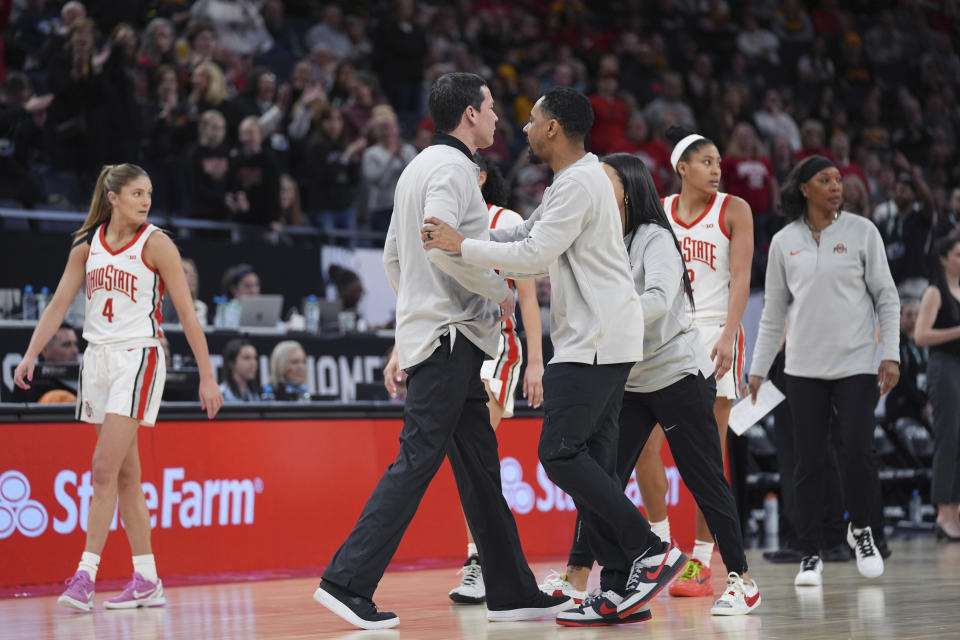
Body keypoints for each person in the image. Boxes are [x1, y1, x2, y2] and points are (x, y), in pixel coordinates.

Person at [314, 72, 569, 631]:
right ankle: (346, 581)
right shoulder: (453, 169)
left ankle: (512, 590)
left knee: (480, 471)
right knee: (416, 459)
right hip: (451, 336)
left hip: (440, 333)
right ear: (470, 115)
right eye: (494, 107)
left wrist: (416, 312)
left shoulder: (416, 167)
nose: (500, 117)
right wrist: (497, 292)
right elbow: (440, 245)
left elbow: (393, 257)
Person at [424, 86, 677, 627]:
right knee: (600, 467)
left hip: (595, 341)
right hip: (608, 338)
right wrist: (473, 232)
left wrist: (459, 246)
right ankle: (617, 588)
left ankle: (647, 549)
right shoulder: (576, 180)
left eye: (533, 120)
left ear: (555, 128)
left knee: (559, 454)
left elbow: (534, 256)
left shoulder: (579, 183)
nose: (524, 128)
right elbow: (528, 232)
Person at [541, 153, 761, 617]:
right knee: (602, 481)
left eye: (605, 181)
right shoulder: (602, 235)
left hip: (678, 374)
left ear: (628, 188)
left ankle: (742, 579)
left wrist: (603, 324)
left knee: (704, 477)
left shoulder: (655, 237)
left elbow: (658, 300)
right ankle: (591, 583)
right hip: (631, 378)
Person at [13, 163, 222, 611]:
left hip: (138, 357)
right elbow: (57, 305)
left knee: (102, 468)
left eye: (149, 193)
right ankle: (146, 578)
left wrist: (207, 374)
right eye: (137, 193)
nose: (146, 201)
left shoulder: (158, 244)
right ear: (113, 197)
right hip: (98, 360)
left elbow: (187, 314)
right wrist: (31, 352)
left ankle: (84, 576)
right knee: (126, 476)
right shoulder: (86, 247)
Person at [748, 155, 900, 586]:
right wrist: (757, 371)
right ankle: (810, 551)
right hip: (802, 368)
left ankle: (862, 531)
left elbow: (887, 297)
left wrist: (891, 354)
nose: (837, 186)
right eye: (826, 180)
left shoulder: (863, 232)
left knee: (856, 451)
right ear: (804, 188)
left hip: (856, 363)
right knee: (809, 462)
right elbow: (773, 313)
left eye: (839, 179)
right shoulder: (783, 242)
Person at [631, 125, 753, 598]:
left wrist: (727, 336)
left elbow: (741, 278)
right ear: (682, 168)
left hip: (717, 329)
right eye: (706, 161)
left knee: (706, 451)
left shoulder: (734, 209)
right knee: (644, 442)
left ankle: (702, 559)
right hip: (667, 332)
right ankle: (660, 544)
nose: (717, 169)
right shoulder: (658, 211)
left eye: (719, 162)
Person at [446, 154, 545, 605]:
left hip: (498, 348)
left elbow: (527, 297)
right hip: (454, 344)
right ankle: (490, 559)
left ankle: (478, 561)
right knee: (470, 458)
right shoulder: (444, 219)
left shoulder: (508, 220)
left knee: (476, 451)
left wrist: (539, 362)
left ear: (481, 177)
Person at [914, 236, 960, 541]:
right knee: (948, 439)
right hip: (943, 368)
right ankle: (944, 513)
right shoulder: (935, 290)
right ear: (944, 258)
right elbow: (920, 336)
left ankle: (955, 511)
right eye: (958, 254)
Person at [11, 324, 80, 402]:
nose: (75, 351)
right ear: (45, 350)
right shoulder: (31, 385)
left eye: (76, 344)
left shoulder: (88, 379)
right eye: (66, 345)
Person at [220, 338, 260, 402]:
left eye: (255, 358)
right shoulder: (221, 395)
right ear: (231, 362)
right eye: (246, 358)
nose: (253, 363)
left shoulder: (254, 395)